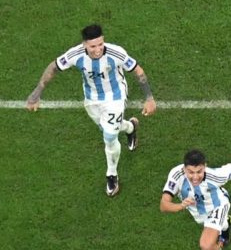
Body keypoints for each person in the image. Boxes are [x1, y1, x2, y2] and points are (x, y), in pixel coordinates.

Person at [24, 23, 157, 196]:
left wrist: (149, 98)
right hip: (92, 99)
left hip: (114, 97)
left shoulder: (115, 53)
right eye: (93, 46)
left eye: (100, 44)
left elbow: (138, 71)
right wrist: (37, 93)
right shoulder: (75, 54)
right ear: (84, 44)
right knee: (107, 128)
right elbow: (53, 67)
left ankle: (111, 175)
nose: (98, 49)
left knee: (109, 136)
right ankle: (131, 127)